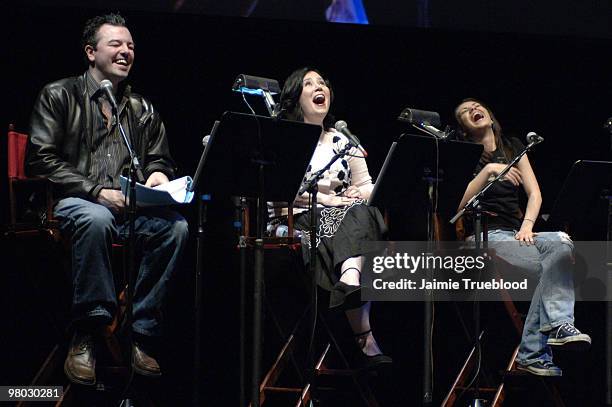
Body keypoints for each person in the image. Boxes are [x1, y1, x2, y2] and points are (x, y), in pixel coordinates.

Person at [26, 13, 189, 385]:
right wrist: (96, 191)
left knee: (175, 228)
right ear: (90, 52)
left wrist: (159, 175)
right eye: (115, 44)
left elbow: (158, 158)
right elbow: (40, 158)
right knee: (96, 218)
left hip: (128, 207)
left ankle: (141, 332)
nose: (126, 51)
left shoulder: (142, 108)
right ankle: (90, 330)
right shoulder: (58, 95)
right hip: (69, 202)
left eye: (130, 45)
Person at [454, 98, 591, 376]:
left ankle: (544, 341)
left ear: (490, 116)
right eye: (465, 112)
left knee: (562, 241)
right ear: (464, 129)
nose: (473, 111)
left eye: (476, 106)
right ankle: (539, 346)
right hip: (483, 238)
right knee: (553, 266)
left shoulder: (514, 147)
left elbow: (535, 193)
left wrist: (527, 226)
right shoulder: (464, 154)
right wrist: (487, 172)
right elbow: (455, 208)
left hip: (517, 234)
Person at [277, 67, 391, 368]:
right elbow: (281, 188)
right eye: (309, 83)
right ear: (294, 97)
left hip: (344, 217)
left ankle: (349, 279)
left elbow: (368, 187)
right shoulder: (286, 136)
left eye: (323, 83)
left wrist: (358, 195)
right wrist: (329, 199)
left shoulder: (343, 140)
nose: (320, 88)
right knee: (358, 231)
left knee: (366, 212)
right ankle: (363, 336)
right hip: (298, 216)